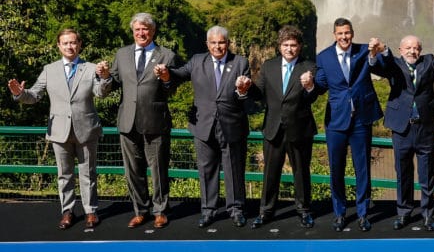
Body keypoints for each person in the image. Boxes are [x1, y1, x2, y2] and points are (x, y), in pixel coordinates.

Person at [7, 29, 111, 230]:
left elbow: (100, 93)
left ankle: (91, 211)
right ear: (59, 46)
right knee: (64, 174)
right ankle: (67, 211)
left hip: (86, 129)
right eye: (65, 43)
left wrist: (105, 77)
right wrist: (20, 94)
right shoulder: (49, 69)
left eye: (73, 43)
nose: (69, 46)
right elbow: (34, 95)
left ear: (80, 44)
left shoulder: (90, 68)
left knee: (88, 173)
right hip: (59, 130)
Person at [156, 25, 254, 228]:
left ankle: (236, 210)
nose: (218, 46)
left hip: (232, 125)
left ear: (228, 43)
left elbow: (242, 95)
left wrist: (243, 90)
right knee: (206, 170)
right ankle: (208, 211)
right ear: (207, 44)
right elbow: (178, 75)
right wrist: (166, 74)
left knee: (234, 170)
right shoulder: (196, 61)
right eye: (214, 43)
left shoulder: (240, 62)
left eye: (221, 42)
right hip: (203, 125)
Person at [102, 12, 177, 229]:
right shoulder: (122, 54)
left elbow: (171, 89)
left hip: (155, 120)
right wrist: (105, 75)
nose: (141, 33)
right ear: (132, 32)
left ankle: (161, 210)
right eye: (137, 29)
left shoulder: (167, 55)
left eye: (145, 29)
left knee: (158, 170)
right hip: (127, 121)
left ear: (153, 31)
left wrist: (166, 78)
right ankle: (140, 210)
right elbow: (112, 84)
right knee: (133, 170)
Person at [313, 18, 385, 232]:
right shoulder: (324, 57)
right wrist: (309, 85)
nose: (344, 37)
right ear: (334, 35)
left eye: (347, 33)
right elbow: (320, 85)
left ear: (352, 33)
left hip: (361, 118)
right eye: (340, 34)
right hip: (336, 120)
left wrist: (375, 53)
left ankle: (363, 213)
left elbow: (380, 67)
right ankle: (339, 212)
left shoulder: (364, 50)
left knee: (362, 169)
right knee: (336, 169)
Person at [371, 35, 434, 232]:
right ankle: (404, 213)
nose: (412, 51)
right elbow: (376, 66)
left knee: (427, 175)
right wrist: (380, 50)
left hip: (425, 127)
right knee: (403, 174)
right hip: (402, 128)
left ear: (420, 50)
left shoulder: (429, 61)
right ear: (400, 49)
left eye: (415, 48)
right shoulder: (393, 64)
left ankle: (428, 215)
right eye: (408, 48)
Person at [251, 26, 318, 229]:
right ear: (279, 47)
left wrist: (309, 86)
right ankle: (266, 211)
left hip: (299, 128)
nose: (289, 49)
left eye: (293, 45)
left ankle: (304, 211)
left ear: (300, 46)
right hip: (273, 128)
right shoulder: (268, 66)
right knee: (270, 173)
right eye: (286, 45)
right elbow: (258, 94)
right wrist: (245, 88)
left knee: (301, 172)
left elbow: (313, 97)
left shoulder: (309, 67)